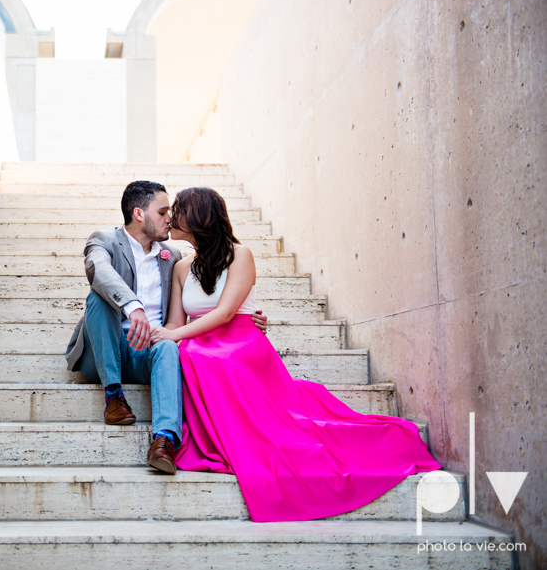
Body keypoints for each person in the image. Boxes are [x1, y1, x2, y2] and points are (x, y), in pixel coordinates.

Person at [148, 186, 441, 521]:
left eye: (178, 209)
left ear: (199, 215)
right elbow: (174, 322)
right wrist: (172, 337)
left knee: (207, 357)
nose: (171, 216)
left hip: (241, 341)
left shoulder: (239, 254)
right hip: (200, 340)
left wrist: (176, 335)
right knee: (188, 354)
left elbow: (227, 313)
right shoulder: (181, 267)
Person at [65, 181, 268, 475]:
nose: (170, 218)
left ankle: (164, 441)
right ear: (138, 213)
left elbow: (182, 320)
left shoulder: (173, 257)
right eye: (162, 212)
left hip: (147, 348)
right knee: (98, 297)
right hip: (103, 349)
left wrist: (246, 316)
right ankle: (113, 396)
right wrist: (132, 306)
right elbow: (99, 270)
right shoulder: (104, 240)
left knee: (168, 348)